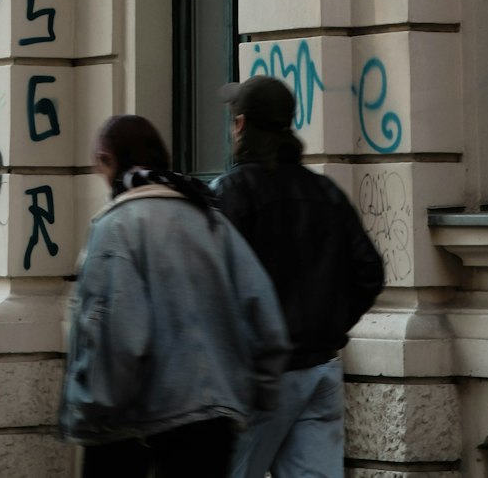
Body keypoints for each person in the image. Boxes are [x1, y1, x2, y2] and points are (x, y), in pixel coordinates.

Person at [60, 113, 290, 478]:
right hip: (214, 423)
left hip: (135, 427)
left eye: (99, 166)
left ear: (109, 159)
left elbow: (117, 336)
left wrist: (89, 409)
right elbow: (266, 320)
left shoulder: (116, 226)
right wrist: (251, 396)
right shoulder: (212, 220)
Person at [214, 76, 384, 478]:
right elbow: (369, 272)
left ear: (240, 125)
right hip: (320, 371)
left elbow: (211, 290)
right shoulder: (324, 191)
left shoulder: (230, 193)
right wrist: (329, 325)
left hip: (258, 379)